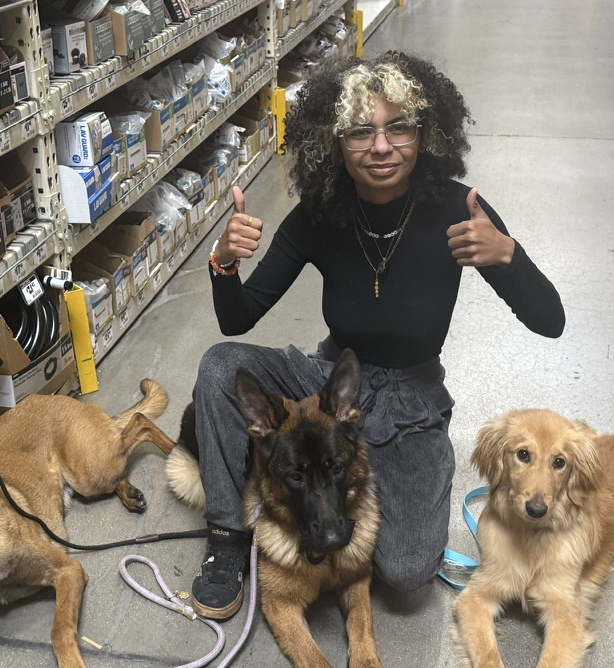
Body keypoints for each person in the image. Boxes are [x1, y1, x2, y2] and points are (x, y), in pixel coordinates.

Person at [188, 50, 565, 620]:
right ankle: (225, 536)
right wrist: (223, 264)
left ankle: (317, 473)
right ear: (333, 141)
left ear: (426, 131)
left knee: (408, 571)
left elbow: (550, 321)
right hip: (331, 383)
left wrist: (507, 256)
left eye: (398, 127)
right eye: (360, 130)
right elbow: (238, 319)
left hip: (412, 399)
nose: (381, 146)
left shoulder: (455, 211)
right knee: (219, 365)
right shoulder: (321, 213)